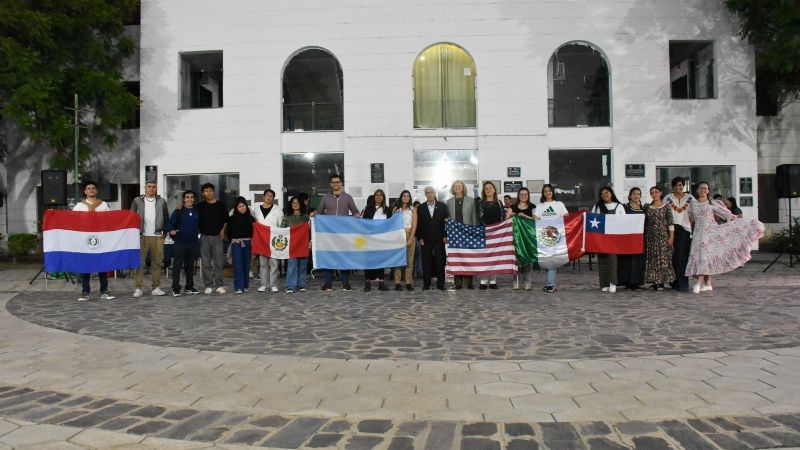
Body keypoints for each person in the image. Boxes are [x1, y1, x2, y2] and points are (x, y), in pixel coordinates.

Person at [686, 182, 764, 293]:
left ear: (708, 191)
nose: (703, 190)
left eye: (706, 188)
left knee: (704, 256)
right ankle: (707, 283)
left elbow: (726, 214)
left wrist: (738, 221)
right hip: (698, 233)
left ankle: (699, 282)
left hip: (710, 233)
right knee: (701, 257)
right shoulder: (693, 204)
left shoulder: (712, 203)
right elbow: (691, 218)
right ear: (697, 190)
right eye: (701, 188)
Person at [312, 174, 359, 291]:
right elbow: (320, 212)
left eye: (337, 182)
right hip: (329, 234)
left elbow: (354, 210)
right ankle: (328, 283)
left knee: (344, 258)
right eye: (333, 182)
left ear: (341, 183)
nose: (336, 184)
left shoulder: (348, 197)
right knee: (329, 258)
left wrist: (357, 214)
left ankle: (345, 283)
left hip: (344, 233)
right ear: (330, 184)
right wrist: (315, 215)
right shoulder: (325, 198)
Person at [73, 181, 116, 302]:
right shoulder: (79, 207)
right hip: (85, 239)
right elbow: (72, 222)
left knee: (102, 265)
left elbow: (109, 221)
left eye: (93, 188)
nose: (91, 190)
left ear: (96, 191)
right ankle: (85, 291)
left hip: (101, 238)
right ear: (85, 191)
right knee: (85, 266)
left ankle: (104, 290)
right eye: (89, 188)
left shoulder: (103, 205)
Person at [131, 181, 170, 298]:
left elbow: (166, 217)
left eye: (154, 187)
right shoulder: (137, 201)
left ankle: (156, 287)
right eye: (149, 187)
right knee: (139, 263)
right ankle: (138, 288)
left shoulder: (162, 201)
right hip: (141, 235)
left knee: (157, 263)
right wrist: (133, 233)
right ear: (145, 188)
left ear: (156, 188)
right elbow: (131, 216)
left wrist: (165, 233)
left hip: (158, 235)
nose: (151, 189)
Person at [534, 184, 568, 293]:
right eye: (545, 191)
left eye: (549, 191)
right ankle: (550, 283)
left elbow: (566, 217)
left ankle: (549, 284)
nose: (548, 193)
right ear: (543, 194)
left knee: (552, 259)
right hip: (544, 236)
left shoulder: (559, 204)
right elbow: (536, 219)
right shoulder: (540, 205)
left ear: (552, 192)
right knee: (548, 259)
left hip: (557, 235)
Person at [196, 183, 229, 294]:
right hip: (204, 237)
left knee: (218, 262)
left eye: (210, 191)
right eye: (206, 191)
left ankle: (219, 285)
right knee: (206, 263)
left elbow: (226, 220)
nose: (208, 193)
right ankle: (208, 285)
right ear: (203, 193)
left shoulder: (221, 205)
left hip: (217, 237)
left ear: (213, 192)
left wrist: (223, 230)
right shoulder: (200, 206)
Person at [592, 185, 626, 293]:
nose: (604, 195)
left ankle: (613, 283)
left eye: (606, 193)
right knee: (602, 261)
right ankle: (604, 284)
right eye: (602, 194)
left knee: (612, 260)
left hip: (614, 237)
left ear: (611, 193)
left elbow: (623, 221)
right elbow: (592, 220)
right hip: (601, 237)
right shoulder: (597, 207)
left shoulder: (619, 206)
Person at [445, 180, 478, 290]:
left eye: (460, 186)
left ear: (463, 188)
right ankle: (457, 282)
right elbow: (448, 219)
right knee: (456, 257)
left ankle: (469, 282)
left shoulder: (471, 200)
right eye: (455, 186)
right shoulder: (449, 202)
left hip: (468, 233)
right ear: (453, 188)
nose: (457, 188)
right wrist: (448, 233)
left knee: (469, 258)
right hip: (455, 234)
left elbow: (474, 216)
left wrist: (474, 232)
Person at [477, 181, 510, 290]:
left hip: (497, 233)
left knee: (495, 257)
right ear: (484, 191)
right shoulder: (481, 203)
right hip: (485, 232)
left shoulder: (499, 203)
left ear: (494, 190)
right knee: (486, 257)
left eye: (490, 188)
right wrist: (487, 228)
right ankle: (483, 281)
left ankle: (493, 281)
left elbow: (502, 217)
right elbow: (479, 218)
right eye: (486, 188)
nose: (488, 190)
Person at [167, 190, 201, 297]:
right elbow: (170, 224)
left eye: (191, 197)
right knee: (177, 266)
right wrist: (171, 230)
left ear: (194, 199)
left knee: (190, 266)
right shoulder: (178, 211)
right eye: (187, 197)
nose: (189, 199)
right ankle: (176, 288)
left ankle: (189, 287)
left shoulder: (197, 211)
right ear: (184, 199)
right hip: (180, 243)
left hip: (193, 243)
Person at [416, 186, 449, 290]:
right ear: (425, 195)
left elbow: (446, 223)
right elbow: (418, 224)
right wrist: (420, 237)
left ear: (434, 193)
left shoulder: (442, 206)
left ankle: (440, 284)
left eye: (431, 192)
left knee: (440, 262)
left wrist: (445, 235)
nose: (430, 194)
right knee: (426, 263)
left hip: (439, 239)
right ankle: (426, 284)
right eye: (427, 193)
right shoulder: (420, 208)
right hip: (425, 240)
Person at [664, 177, 694, 292]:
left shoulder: (690, 198)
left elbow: (695, 211)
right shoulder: (668, 198)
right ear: (673, 187)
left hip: (685, 229)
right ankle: (674, 281)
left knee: (683, 256)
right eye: (676, 185)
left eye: (681, 185)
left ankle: (683, 283)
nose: (679, 187)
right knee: (674, 256)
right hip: (671, 228)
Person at [252, 189, 284, 292]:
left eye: (271, 196)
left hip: (273, 239)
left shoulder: (278, 210)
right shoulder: (256, 210)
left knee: (274, 263)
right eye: (267, 195)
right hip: (261, 240)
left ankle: (273, 284)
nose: (269, 197)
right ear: (263, 197)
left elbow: (281, 225)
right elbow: (254, 224)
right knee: (263, 263)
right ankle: (264, 284)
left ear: (273, 198)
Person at [362, 189, 392, 291]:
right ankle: (367, 283)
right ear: (374, 197)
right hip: (370, 239)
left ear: (383, 197)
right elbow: (364, 223)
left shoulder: (387, 210)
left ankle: (381, 283)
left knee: (381, 261)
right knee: (368, 261)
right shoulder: (368, 208)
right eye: (377, 195)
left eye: (380, 195)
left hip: (382, 240)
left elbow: (390, 224)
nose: (378, 197)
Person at [618, 187, 646, 290]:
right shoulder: (624, 207)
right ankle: (627, 282)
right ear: (630, 195)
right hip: (628, 237)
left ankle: (636, 282)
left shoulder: (643, 208)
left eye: (638, 194)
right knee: (627, 260)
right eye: (634, 194)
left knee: (638, 260)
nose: (636, 196)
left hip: (639, 238)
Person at [281, 195, 310, 294]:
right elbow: (282, 230)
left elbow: (310, 229)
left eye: (297, 202)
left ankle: (301, 284)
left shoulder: (306, 218)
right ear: (291, 204)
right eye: (293, 202)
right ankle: (291, 286)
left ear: (301, 204)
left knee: (303, 265)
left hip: (303, 244)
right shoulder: (287, 218)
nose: (295, 204)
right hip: (291, 245)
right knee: (292, 265)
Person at [227, 197, 255, 294]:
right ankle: (239, 287)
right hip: (236, 243)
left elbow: (255, 230)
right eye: (240, 206)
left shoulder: (251, 218)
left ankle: (245, 285)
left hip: (248, 243)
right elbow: (228, 232)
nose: (242, 208)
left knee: (246, 264)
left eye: (244, 206)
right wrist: (233, 241)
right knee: (238, 265)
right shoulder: (232, 219)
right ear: (236, 208)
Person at [392, 190, 418, 291]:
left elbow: (415, 225)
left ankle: (408, 283)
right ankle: (397, 282)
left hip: (409, 233)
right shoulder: (395, 209)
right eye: (404, 196)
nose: (406, 197)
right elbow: (392, 224)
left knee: (409, 260)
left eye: (408, 196)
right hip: (398, 235)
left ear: (410, 198)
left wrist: (411, 238)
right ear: (401, 197)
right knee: (398, 259)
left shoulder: (413, 209)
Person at [511, 187, 536, 290]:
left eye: (525, 194)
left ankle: (527, 281)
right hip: (515, 236)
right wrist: (511, 215)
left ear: (528, 195)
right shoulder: (513, 206)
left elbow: (536, 219)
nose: (523, 196)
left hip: (528, 236)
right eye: (521, 194)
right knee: (515, 258)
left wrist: (526, 217)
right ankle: (515, 281)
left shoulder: (532, 206)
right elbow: (506, 219)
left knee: (528, 258)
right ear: (518, 195)